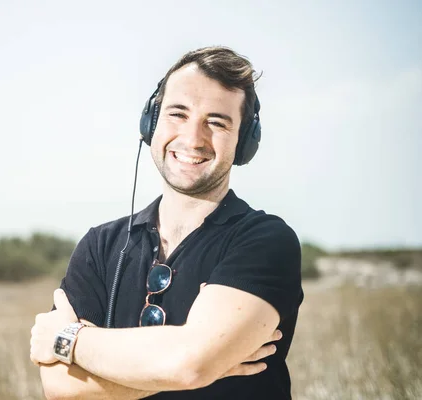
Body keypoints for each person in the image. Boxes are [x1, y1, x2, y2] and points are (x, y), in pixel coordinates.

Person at [30, 46, 304, 399]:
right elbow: (60, 388)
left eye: (216, 122)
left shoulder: (266, 241)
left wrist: (67, 338)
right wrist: (182, 365)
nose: (193, 138)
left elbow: (190, 364)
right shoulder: (99, 246)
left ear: (244, 142)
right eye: (178, 114)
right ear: (151, 122)